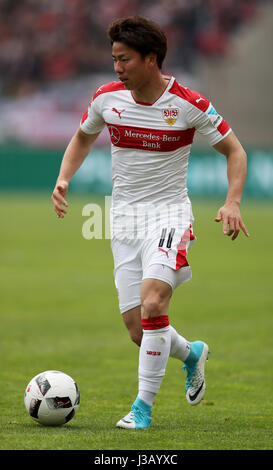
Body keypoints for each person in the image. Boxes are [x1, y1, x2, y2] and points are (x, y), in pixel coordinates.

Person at [51, 16, 249, 430]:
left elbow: (235, 151)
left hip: (169, 215)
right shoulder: (107, 98)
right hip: (123, 221)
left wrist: (232, 202)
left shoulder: (187, 104)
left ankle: (142, 409)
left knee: (155, 304)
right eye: (114, 59)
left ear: (151, 59)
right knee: (140, 331)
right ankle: (192, 354)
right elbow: (83, 137)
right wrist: (63, 178)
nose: (117, 68)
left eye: (124, 60)